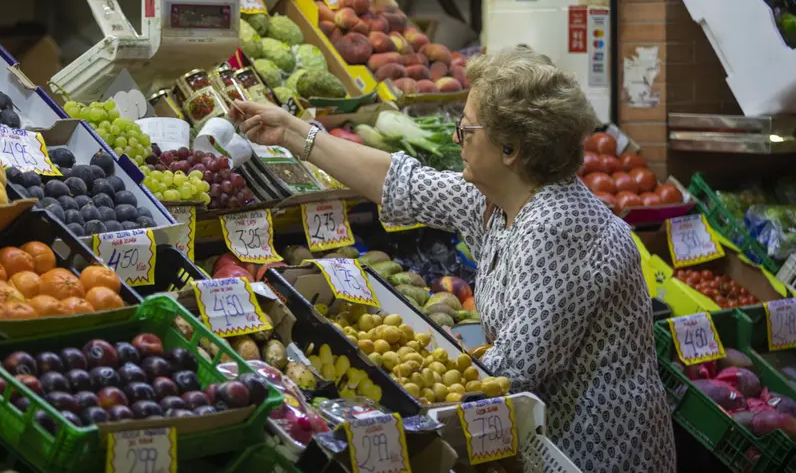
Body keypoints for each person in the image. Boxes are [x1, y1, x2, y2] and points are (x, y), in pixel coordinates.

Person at [230, 45, 676, 472]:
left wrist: (406, 397)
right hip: (543, 437)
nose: (456, 136)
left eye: (466, 128)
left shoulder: (555, 228)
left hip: (593, 451)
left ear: (510, 149)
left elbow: (511, 375)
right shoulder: (499, 198)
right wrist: (290, 132)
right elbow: (398, 181)